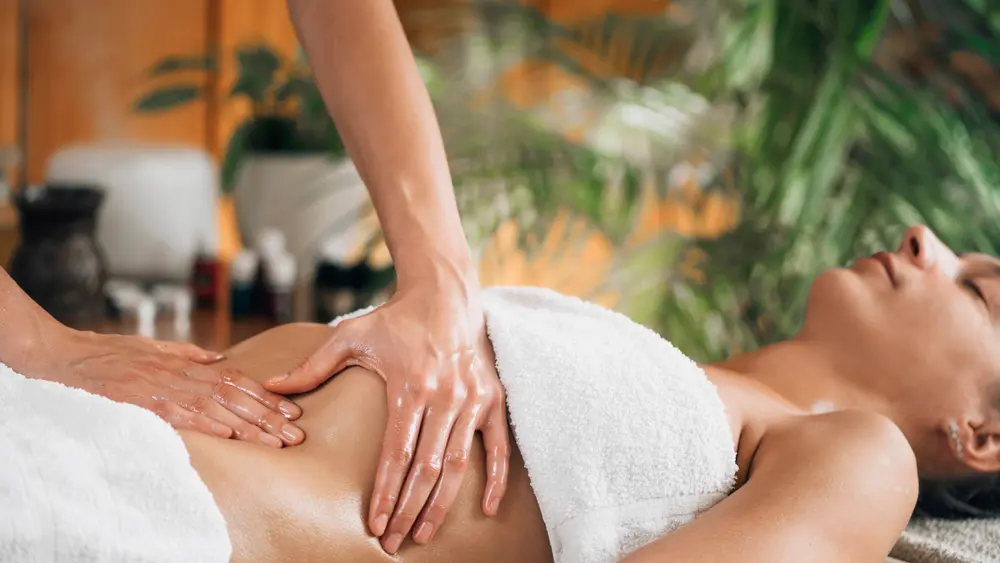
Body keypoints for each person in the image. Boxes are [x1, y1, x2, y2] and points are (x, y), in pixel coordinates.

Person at [166, 224, 1000, 562]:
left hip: (182, 519)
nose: (922, 239)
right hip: (120, 435)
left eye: (975, 289)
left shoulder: (864, 455)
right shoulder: (673, 373)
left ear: (984, 435)